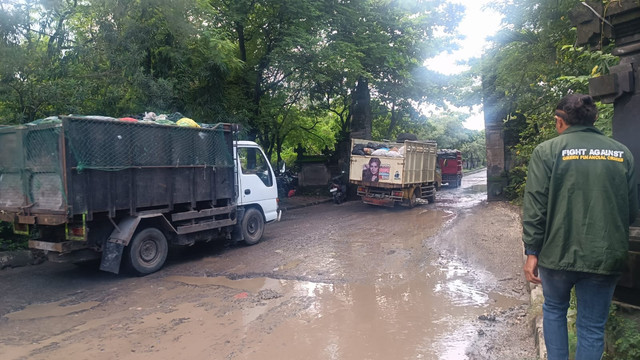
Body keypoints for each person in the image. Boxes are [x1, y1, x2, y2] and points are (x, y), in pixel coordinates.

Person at [522, 94, 638, 360]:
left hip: (556, 253)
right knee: (592, 326)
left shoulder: (547, 151)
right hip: (604, 254)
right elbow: (631, 211)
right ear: (594, 119)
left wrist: (532, 252)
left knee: (553, 309)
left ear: (560, 121)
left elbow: (536, 208)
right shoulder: (622, 153)